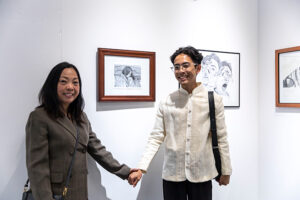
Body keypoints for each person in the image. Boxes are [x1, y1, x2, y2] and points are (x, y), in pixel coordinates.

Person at [129, 46, 232, 200]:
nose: (181, 71)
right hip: (173, 175)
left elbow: (222, 138)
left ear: (198, 68)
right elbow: (156, 137)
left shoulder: (214, 100)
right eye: (176, 67)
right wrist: (141, 168)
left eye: (185, 65)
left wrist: (226, 170)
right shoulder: (167, 101)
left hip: (202, 174)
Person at [26, 62, 137, 200]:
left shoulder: (81, 116)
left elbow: (98, 150)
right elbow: (37, 168)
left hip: (80, 191)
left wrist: (125, 172)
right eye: (63, 82)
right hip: (55, 194)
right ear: (52, 85)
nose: (70, 87)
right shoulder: (39, 117)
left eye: (75, 82)